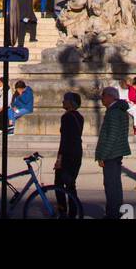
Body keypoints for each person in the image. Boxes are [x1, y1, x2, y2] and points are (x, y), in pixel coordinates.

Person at [94, 85, 130, 220]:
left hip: (111, 153)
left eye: (103, 96)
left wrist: (102, 155)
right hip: (117, 151)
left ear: (110, 97)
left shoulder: (113, 112)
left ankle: (112, 213)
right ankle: (116, 210)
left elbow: (111, 135)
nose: (102, 99)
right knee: (115, 183)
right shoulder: (119, 110)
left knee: (110, 185)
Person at [54, 91, 83, 219]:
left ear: (70, 103)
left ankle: (63, 211)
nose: (63, 101)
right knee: (71, 185)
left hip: (67, 154)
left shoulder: (66, 117)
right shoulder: (79, 117)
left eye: (65, 99)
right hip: (77, 152)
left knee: (59, 184)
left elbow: (64, 139)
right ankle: (73, 212)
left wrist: (59, 159)